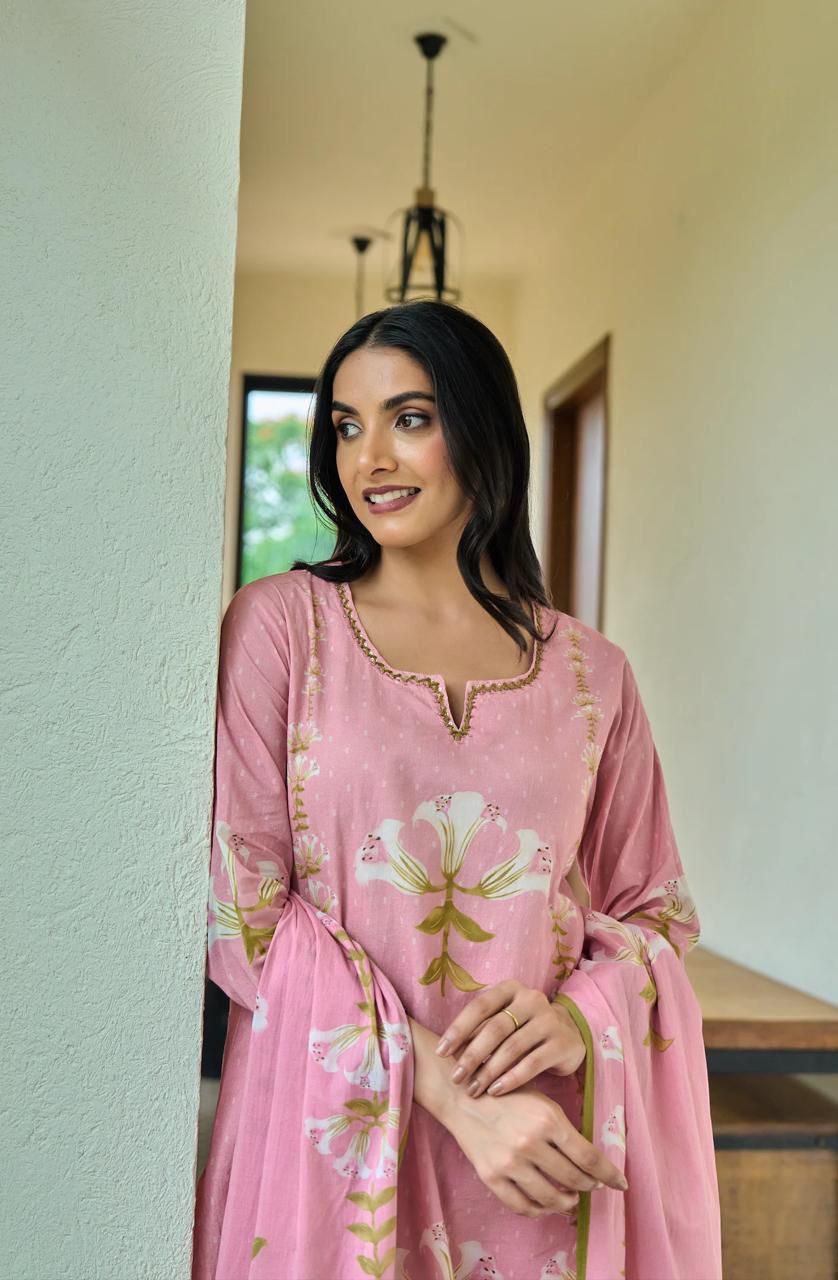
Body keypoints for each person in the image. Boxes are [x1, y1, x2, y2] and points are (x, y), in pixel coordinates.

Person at [191, 300, 722, 1280]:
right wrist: (455, 1097)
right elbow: (245, 913)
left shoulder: (593, 674)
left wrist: (576, 1018)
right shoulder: (280, 630)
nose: (369, 459)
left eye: (409, 418)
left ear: (481, 430)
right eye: (345, 425)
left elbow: (656, 912)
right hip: (335, 1147)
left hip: (538, 1153)